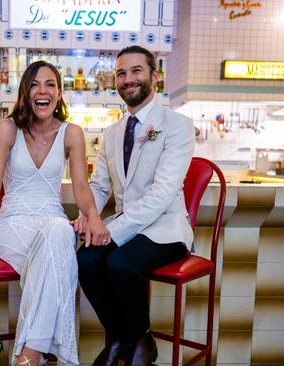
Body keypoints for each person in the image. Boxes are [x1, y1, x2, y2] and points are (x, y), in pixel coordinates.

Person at [0, 60, 110, 366]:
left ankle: (29, 355)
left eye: (50, 84)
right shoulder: (7, 129)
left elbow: (81, 186)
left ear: (59, 93)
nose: (42, 91)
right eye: (34, 85)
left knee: (58, 232)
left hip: (51, 220)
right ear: (25, 92)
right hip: (13, 223)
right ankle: (43, 354)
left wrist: (93, 215)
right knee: (60, 246)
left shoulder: (72, 134)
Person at [74, 46, 195, 366]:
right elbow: (99, 186)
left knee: (120, 264)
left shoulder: (178, 125)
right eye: (121, 73)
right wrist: (88, 217)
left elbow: (163, 194)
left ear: (155, 77)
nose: (128, 79)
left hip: (165, 228)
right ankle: (121, 338)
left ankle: (140, 339)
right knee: (85, 260)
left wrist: (110, 231)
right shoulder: (112, 133)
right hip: (127, 226)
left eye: (136, 71)